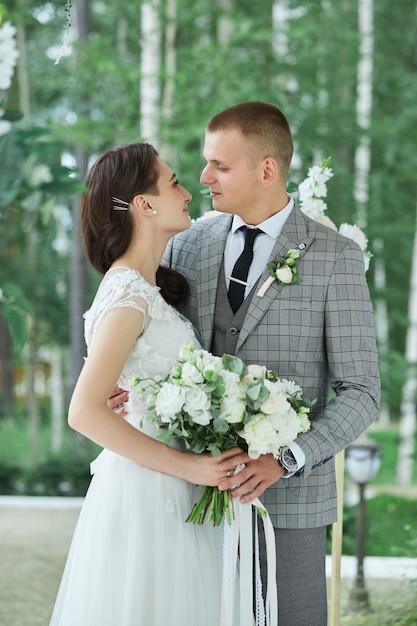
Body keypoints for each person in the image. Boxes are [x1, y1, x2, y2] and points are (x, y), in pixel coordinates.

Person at [160, 101, 381, 625]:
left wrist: (284, 459)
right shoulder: (183, 248)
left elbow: (361, 391)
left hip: (292, 506)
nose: (203, 176)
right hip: (188, 496)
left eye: (220, 165)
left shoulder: (335, 258)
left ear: (266, 169)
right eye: (205, 162)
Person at [48, 142, 242, 626]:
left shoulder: (147, 286)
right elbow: (84, 411)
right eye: (174, 181)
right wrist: (189, 467)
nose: (188, 190)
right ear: (144, 204)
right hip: (149, 490)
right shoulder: (128, 292)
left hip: (171, 486)